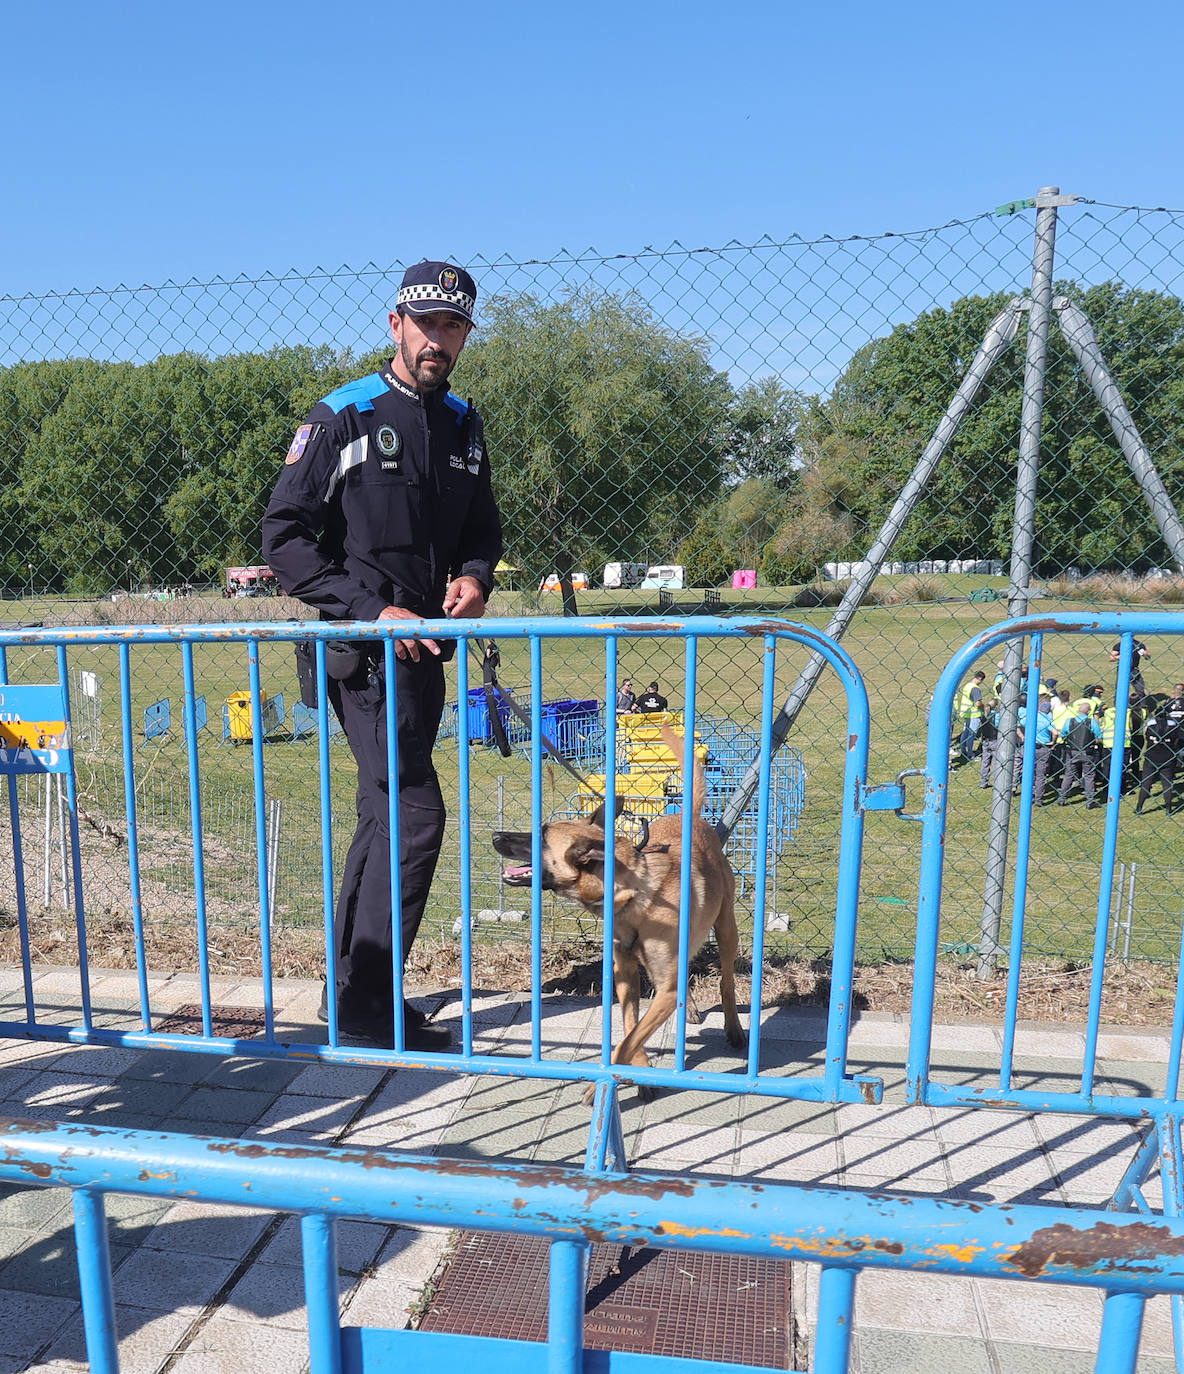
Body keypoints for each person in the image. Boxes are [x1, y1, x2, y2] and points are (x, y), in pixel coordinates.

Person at [262, 260, 503, 1049]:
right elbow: (284, 540)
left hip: (428, 654)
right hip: (364, 655)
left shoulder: (465, 424)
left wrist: (472, 577)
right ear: (395, 324)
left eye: (453, 326)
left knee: (384, 811)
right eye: (426, 324)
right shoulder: (346, 416)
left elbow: (481, 533)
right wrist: (375, 612)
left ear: (466, 334)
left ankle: (351, 993)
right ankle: (370, 1009)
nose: (439, 340)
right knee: (414, 813)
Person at [1134, 698, 1181, 816]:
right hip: (1168, 757)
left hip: (1151, 757)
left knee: (1146, 783)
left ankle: (1139, 807)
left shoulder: (1150, 724)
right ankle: (1169, 809)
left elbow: (1146, 737)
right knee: (1167, 783)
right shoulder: (1172, 725)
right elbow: (1177, 739)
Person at [1057, 697, 1103, 808]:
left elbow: (1063, 734)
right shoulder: (1091, 722)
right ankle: (1090, 800)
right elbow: (1099, 736)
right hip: (1087, 752)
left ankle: (1062, 798)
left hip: (1072, 752)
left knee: (1068, 775)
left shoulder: (1070, 721)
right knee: (1089, 776)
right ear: (1088, 711)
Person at [955, 670, 987, 763]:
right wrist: (983, 707)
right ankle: (970, 754)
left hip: (966, 713)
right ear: (980, 679)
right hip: (974, 714)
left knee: (965, 732)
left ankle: (963, 750)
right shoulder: (975, 689)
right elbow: (978, 703)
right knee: (971, 735)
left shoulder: (967, 685)